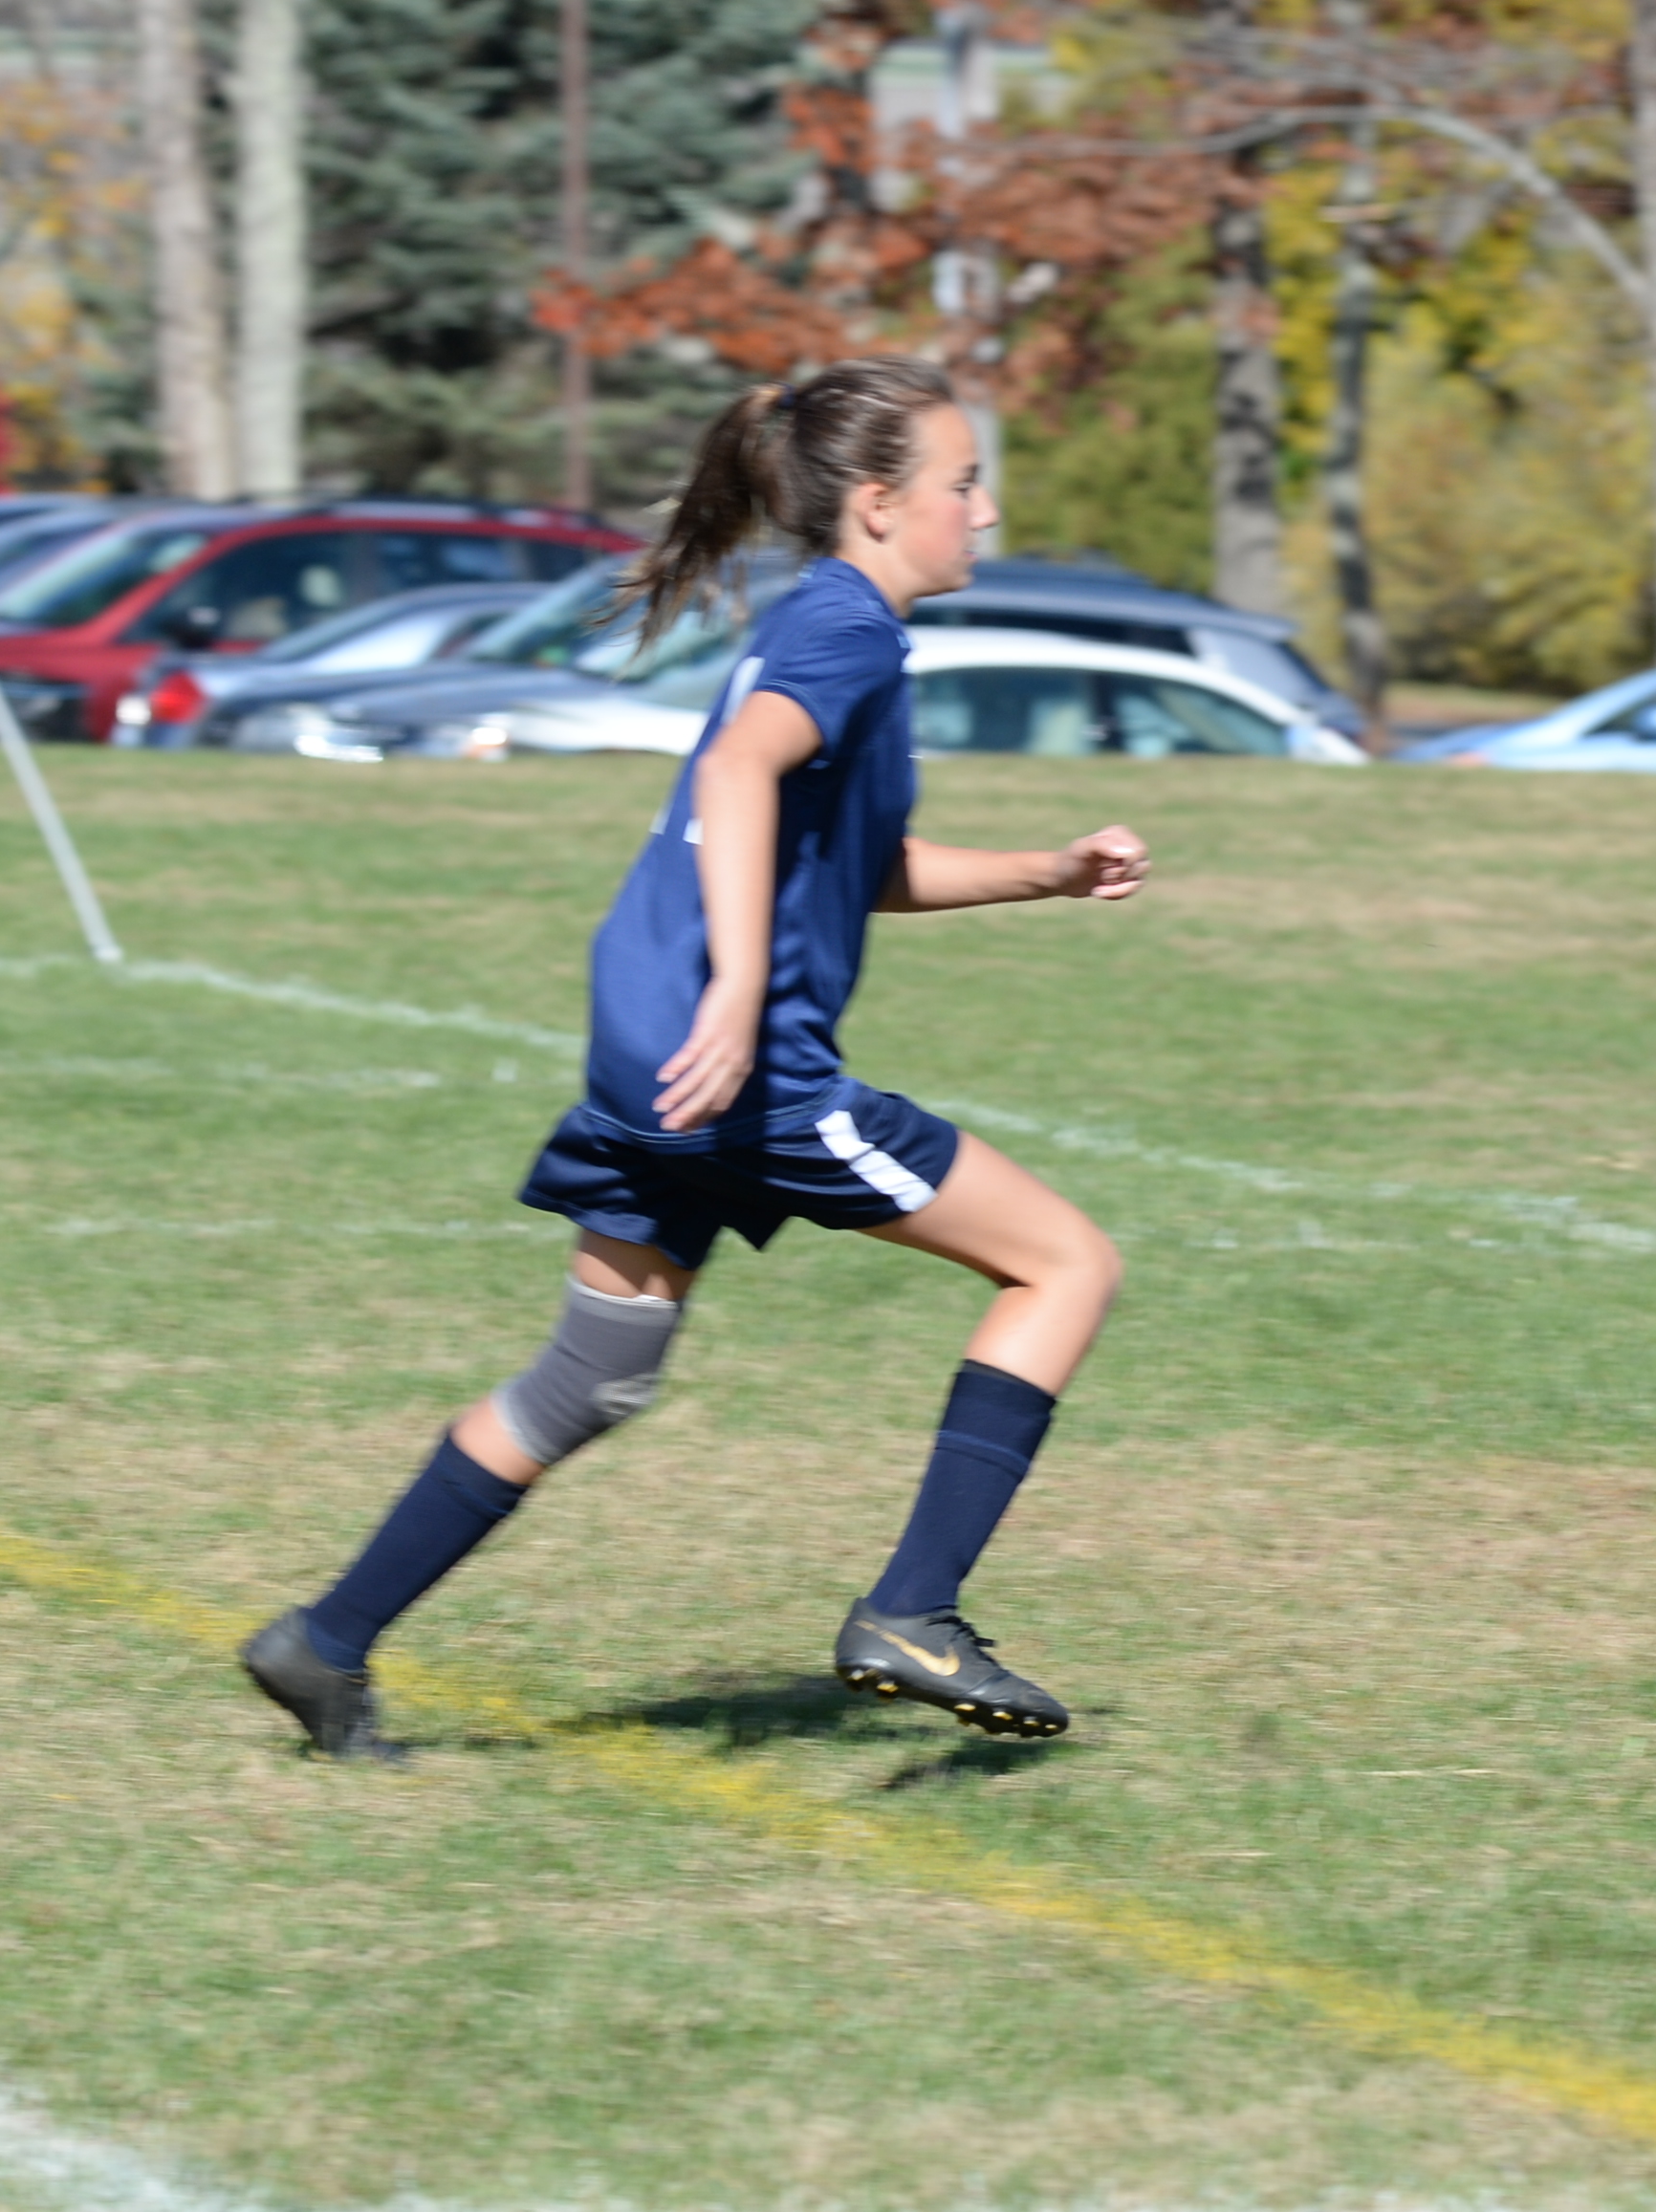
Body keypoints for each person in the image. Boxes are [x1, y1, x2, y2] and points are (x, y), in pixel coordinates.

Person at [243, 357, 1144, 1764]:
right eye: (964, 484)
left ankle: (325, 1641)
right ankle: (913, 1611)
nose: (984, 511)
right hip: (742, 1073)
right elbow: (734, 779)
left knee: (590, 1378)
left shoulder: (824, 627)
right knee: (1067, 1265)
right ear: (877, 503)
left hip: (644, 1061)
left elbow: (849, 865)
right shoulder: (848, 631)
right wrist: (736, 993)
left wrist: (1046, 870)